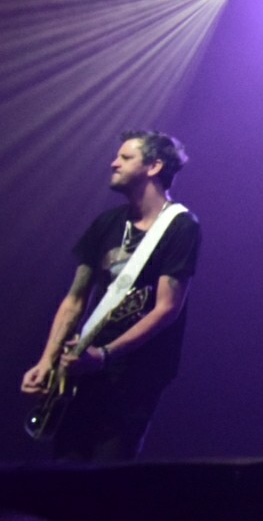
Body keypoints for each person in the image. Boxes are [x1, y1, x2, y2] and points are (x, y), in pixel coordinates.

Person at [20, 131, 201, 461]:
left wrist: (104, 355)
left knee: (108, 473)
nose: (113, 163)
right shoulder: (106, 223)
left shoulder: (181, 227)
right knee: (66, 469)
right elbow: (75, 299)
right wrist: (47, 360)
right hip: (83, 368)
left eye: (125, 158)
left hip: (136, 373)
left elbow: (166, 309)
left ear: (154, 166)